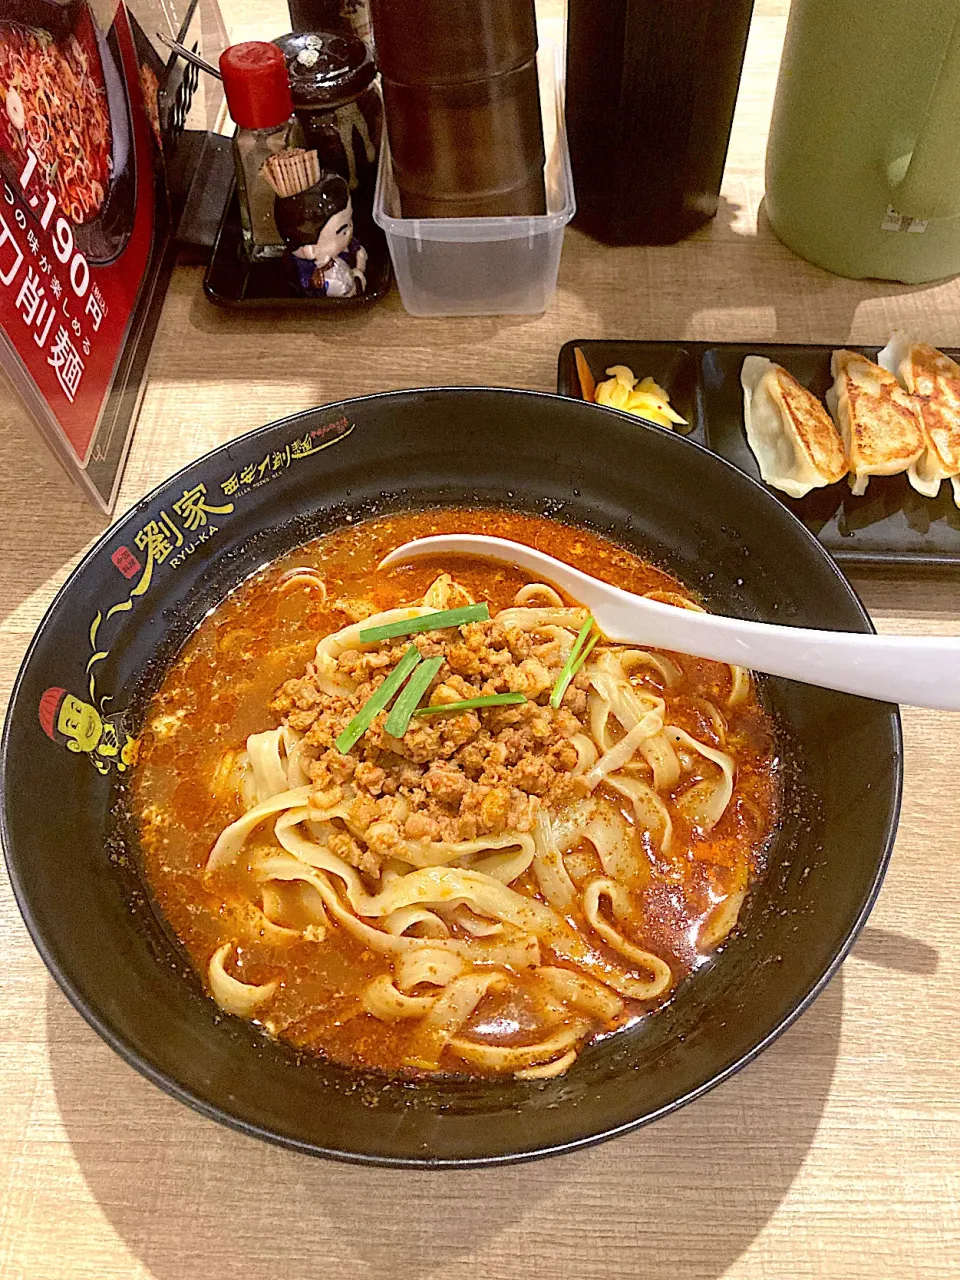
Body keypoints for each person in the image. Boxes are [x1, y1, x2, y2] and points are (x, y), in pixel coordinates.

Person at [274, 172, 368, 298]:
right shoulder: (310, 272)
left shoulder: (345, 248)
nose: (350, 230)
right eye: (343, 231)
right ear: (310, 250)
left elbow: (359, 252)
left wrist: (359, 266)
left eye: (350, 221)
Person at [38, 687, 137, 774]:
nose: (82, 720)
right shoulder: (97, 757)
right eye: (74, 725)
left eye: (78, 709)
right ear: (74, 745)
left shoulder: (111, 721)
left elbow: (130, 719)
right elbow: (104, 767)